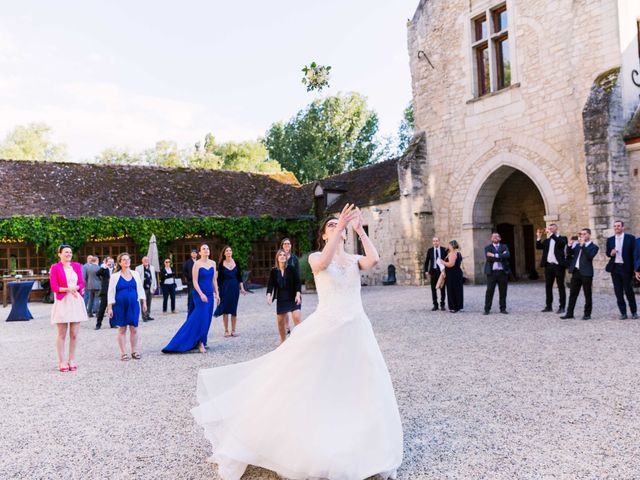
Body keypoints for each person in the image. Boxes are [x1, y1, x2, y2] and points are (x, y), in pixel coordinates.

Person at [192, 204, 403, 480]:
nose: (335, 226)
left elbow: (373, 259)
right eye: (329, 226)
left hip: (356, 328)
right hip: (328, 327)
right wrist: (340, 226)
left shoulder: (353, 259)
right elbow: (324, 264)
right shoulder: (316, 256)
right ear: (324, 236)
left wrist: (360, 231)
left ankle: (359, 442)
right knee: (314, 383)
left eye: (336, 225)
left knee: (358, 384)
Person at [162, 243, 219, 353]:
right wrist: (201, 294)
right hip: (199, 294)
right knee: (200, 317)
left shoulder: (213, 263)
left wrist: (217, 293)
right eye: (203, 249)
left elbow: (214, 280)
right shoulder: (197, 264)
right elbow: (195, 281)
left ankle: (201, 340)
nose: (206, 250)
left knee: (207, 318)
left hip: (209, 295)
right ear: (199, 252)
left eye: (207, 248)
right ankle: (200, 343)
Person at [49, 244, 88, 372]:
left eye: (70, 252)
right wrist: (68, 289)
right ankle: (61, 361)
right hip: (62, 300)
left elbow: (81, 283)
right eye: (66, 252)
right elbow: (54, 287)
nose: (68, 254)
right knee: (62, 334)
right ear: (59, 254)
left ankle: (71, 359)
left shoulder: (76, 266)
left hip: (75, 300)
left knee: (74, 334)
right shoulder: (55, 268)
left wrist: (76, 288)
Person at [107, 252, 147, 361]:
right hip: (120, 305)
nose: (126, 261)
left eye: (128, 259)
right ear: (119, 262)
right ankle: (123, 353)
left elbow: (140, 289)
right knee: (122, 328)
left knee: (134, 328)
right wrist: (110, 307)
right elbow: (110, 292)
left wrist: (144, 302)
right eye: (124, 260)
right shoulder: (115, 276)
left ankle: (134, 351)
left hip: (134, 304)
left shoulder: (135, 274)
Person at [561, 229, 599, 320]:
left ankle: (587, 314)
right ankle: (569, 313)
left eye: (584, 234)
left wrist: (583, 246)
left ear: (589, 235)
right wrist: (569, 245)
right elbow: (569, 254)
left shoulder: (594, 247)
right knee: (573, 294)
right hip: (576, 272)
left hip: (586, 273)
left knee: (587, 294)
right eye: (581, 234)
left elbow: (590, 256)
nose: (582, 235)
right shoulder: (577, 245)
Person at [266, 248, 302, 343]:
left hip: (293, 296)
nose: (282, 256)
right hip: (282, 299)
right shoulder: (274, 271)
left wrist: (298, 295)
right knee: (280, 322)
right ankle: (283, 342)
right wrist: (269, 295)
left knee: (297, 317)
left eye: (284, 255)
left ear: (286, 258)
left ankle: (301, 340)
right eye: (280, 255)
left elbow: (298, 283)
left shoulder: (291, 269)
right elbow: (270, 284)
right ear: (277, 258)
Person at [605, 220, 637, 319]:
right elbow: (607, 253)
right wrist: (611, 253)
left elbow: (635, 254)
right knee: (618, 292)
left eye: (618, 226)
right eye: (615, 226)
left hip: (626, 268)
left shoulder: (630, 238)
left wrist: (635, 269)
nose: (616, 228)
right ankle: (623, 313)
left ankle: (634, 312)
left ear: (622, 227)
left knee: (629, 291)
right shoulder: (610, 239)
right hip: (615, 268)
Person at [214, 246, 247, 337]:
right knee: (225, 309)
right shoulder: (221, 264)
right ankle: (226, 330)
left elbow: (239, 277)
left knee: (233, 309)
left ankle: (233, 330)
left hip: (234, 288)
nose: (228, 252)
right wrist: (217, 292)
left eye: (230, 250)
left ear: (231, 252)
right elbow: (219, 279)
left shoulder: (236, 262)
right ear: (224, 253)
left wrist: (242, 288)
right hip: (224, 288)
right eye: (227, 251)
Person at [536, 224, 568, 313]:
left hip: (558, 266)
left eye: (551, 228)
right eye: (549, 228)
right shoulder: (547, 240)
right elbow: (538, 247)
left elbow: (561, 244)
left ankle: (562, 306)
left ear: (556, 228)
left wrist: (551, 234)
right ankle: (548, 306)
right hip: (548, 266)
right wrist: (538, 237)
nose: (549, 229)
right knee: (548, 286)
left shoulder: (563, 238)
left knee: (560, 286)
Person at [483, 232, 510, 315]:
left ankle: (503, 308)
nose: (495, 237)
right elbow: (488, 258)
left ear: (500, 238)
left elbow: (507, 255)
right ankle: (487, 309)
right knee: (489, 291)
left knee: (503, 291)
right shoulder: (487, 247)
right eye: (493, 236)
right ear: (491, 239)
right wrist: (501, 256)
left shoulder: (504, 246)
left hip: (502, 272)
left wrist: (494, 255)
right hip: (492, 273)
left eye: (497, 236)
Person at [281, 237, 300, 335]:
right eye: (285, 244)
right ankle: (287, 326)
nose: (287, 245)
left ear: (291, 246)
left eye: (288, 244)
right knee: (285, 309)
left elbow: (297, 273)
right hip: (283, 287)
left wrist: (298, 290)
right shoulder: (280, 257)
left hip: (293, 287)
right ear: (282, 246)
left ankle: (298, 331)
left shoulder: (294, 258)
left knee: (295, 310)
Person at [423, 236, 447, 311]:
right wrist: (426, 270)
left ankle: (442, 304)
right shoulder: (430, 250)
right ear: (432, 242)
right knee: (433, 289)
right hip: (433, 271)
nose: (435, 242)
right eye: (434, 241)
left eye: (437, 241)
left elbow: (447, 260)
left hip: (441, 271)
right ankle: (435, 305)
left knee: (442, 288)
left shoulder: (444, 250)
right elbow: (427, 261)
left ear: (439, 241)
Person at [441, 240, 464, 313]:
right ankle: (458, 306)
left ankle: (454, 307)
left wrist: (442, 262)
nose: (448, 246)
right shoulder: (457, 253)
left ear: (452, 246)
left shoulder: (453, 254)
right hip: (456, 273)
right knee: (457, 289)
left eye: (449, 245)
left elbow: (451, 264)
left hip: (453, 274)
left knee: (452, 289)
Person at [95, 256, 114, 330]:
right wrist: (104, 267)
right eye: (109, 262)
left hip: (113, 292)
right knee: (102, 309)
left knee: (113, 308)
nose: (110, 263)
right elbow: (97, 273)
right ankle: (98, 324)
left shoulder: (115, 269)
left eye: (112, 262)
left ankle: (113, 323)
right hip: (105, 292)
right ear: (106, 262)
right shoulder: (104, 269)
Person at [135, 256, 157, 322]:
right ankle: (144, 316)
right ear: (142, 261)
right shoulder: (138, 268)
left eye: (147, 260)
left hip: (150, 287)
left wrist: (154, 286)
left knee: (149, 302)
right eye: (144, 260)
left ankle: (148, 315)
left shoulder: (152, 267)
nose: (146, 261)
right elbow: (136, 278)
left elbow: (154, 277)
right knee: (143, 303)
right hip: (142, 288)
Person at [183, 248, 198, 315]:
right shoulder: (187, 262)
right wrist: (189, 277)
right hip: (191, 281)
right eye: (192, 253)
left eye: (195, 253)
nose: (194, 254)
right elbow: (184, 271)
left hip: (199, 281)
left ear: (197, 254)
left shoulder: (199, 261)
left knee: (198, 294)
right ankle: (189, 308)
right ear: (191, 254)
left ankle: (197, 307)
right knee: (191, 294)